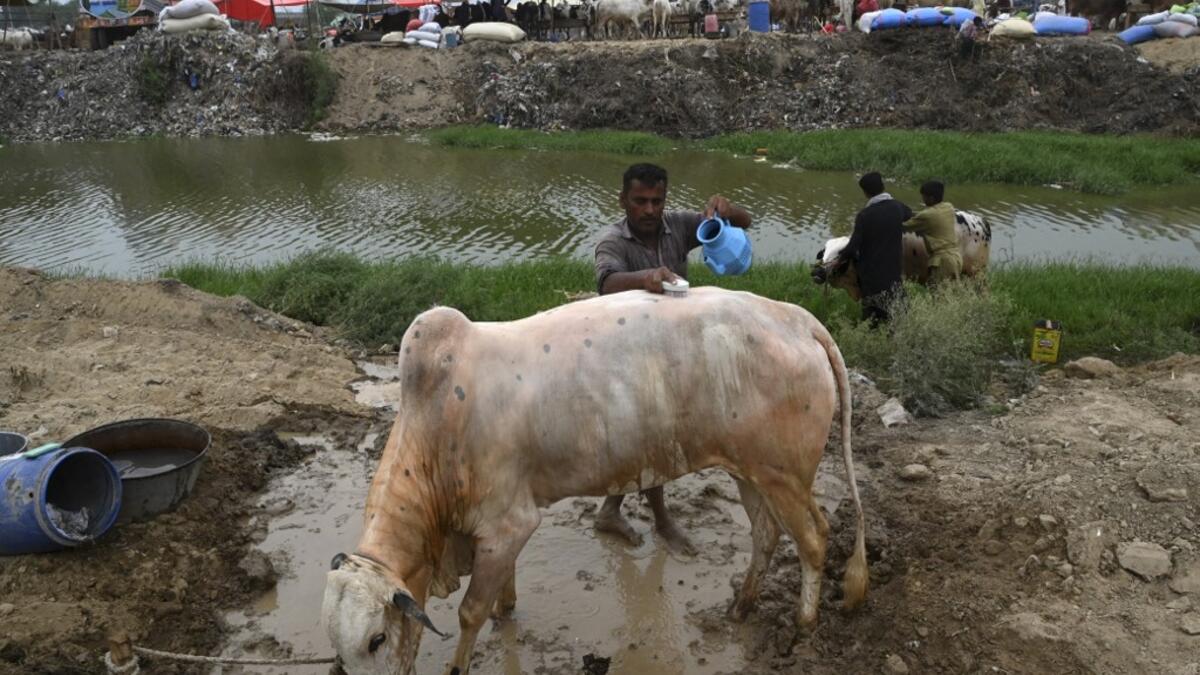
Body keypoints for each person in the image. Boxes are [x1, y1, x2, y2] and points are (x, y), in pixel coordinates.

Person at [592, 163, 752, 554]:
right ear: (623, 200)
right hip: (628, 354)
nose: (649, 210)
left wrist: (727, 211)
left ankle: (610, 511)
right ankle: (662, 521)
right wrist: (644, 279)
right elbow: (606, 282)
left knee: (650, 438)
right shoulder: (613, 240)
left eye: (657, 201)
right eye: (640, 201)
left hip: (670, 351)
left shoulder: (677, 225)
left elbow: (747, 222)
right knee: (654, 438)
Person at [839, 172, 911, 326]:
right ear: (883, 186)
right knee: (898, 314)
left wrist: (839, 257)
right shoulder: (898, 207)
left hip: (871, 278)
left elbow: (852, 248)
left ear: (865, 192)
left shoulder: (865, 216)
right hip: (893, 272)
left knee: (872, 319)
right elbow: (909, 215)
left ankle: (873, 342)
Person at [904, 180, 962, 285]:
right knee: (952, 294)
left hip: (942, 261)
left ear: (931, 198)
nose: (923, 199)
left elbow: (903, 226)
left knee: (939, 296)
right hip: (956, 257)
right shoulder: (949, 207)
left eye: (924, 197)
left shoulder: (927, 215)